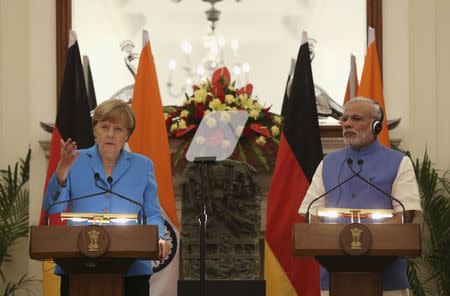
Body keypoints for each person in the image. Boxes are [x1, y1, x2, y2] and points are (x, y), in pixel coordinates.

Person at [43, 99, 169, 296]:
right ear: (95, 130)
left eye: (118, 129)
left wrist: (159, 237)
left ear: (127, 134)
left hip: (132, 268)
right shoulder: (74, 160)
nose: (110, 134)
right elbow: (52, 208)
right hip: (77, 263)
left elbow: (152, 212)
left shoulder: (143, 166)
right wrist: (61, 173)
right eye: (105, 127)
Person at [299, 96, 422, 296]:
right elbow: (309, 212)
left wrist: (369, 239)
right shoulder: (328, 163)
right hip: (333, 278)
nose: (347, 123)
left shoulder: (400, 162)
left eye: (356, 119)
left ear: (376, 126)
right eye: (344, 119)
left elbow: (406, 215)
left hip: (387, 279)